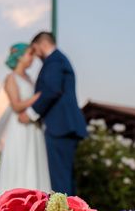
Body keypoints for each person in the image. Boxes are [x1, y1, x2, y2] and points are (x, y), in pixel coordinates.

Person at [18, 32, 87, 195]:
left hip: (60, 126)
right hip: (65, 125)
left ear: (41, 44)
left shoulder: (54, 61)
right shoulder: (59, 59)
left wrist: (31, 113)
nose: (35, 55)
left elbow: (52, 90)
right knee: (64, 176)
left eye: (34, 49)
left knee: (60, 178)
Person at [0, 43, 51, 197]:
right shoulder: (11, 79)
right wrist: (38, 97)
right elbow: (16, 105)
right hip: (20, 128)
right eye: (29, 54)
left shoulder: (30, 79)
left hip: (34, 128)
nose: (31, 58)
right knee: (21, 162)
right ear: (19, 56)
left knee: (34, 162)